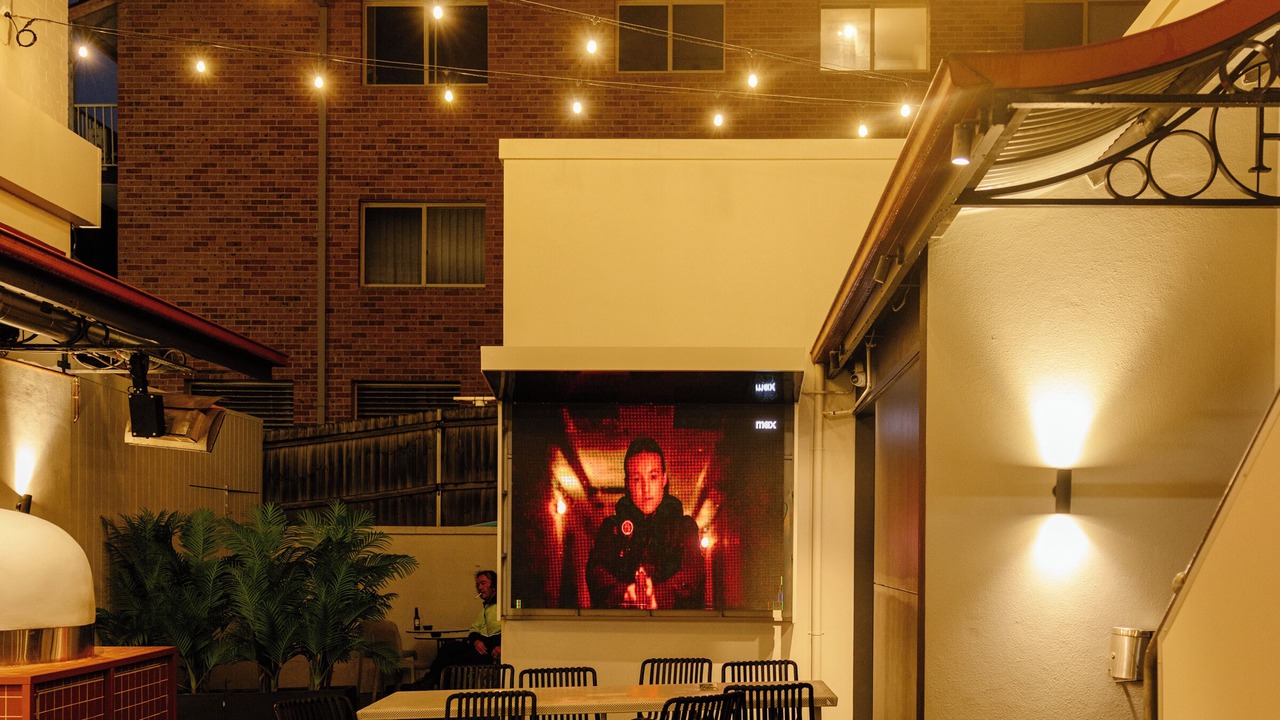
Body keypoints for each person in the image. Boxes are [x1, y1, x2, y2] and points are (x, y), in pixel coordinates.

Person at [586, 437, 704, 609]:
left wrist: (657, 595)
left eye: (653, 477)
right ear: (627, 484)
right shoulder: (611, 528)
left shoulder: (684, 528)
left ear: (664, 479)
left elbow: (693, 574)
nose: (646, 488)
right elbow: (596, 574)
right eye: (636, 479)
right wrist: (625, 593)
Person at [416, 570, 502, 689]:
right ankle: (430, 681)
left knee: (457, 659)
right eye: (477, 585)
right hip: (480, 645)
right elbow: (473, 629)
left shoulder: (501, 606)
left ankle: (444, 688)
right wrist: (476, 641)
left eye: (483, 583)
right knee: (448, 647)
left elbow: (507, 632)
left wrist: (502, 646)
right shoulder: (486, 608)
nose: (479, 588)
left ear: (494, 586)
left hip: (490, 650)